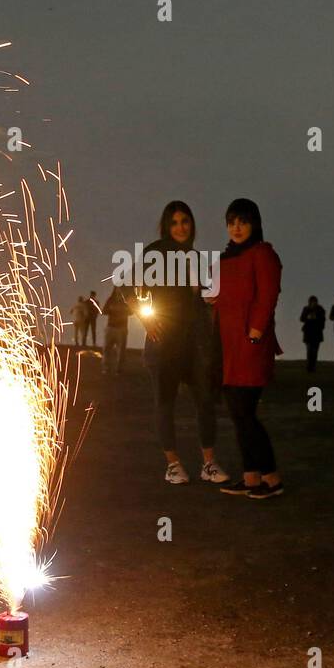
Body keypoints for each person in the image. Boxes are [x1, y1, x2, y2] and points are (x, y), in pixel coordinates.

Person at [138, 201, 229, 486]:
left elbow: (205, 296)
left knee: (205, 401)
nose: (180, 227)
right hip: (163, 342)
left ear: (192, 225)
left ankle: (209, 463)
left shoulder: (198, 259)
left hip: (195, 343)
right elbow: (128, 288)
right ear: (167, 225)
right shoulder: (154, 253)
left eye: (185, 222)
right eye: (175, 222)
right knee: (165, 402)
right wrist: (146, 320)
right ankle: (173, 464)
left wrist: (211, 299)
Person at [213, 198, 284, 499]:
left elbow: (268, 294)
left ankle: (272, 478)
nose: (237, 227)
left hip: (251, 344)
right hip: (228, 345)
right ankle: (251, 477)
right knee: (238, 414)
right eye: (231, 222)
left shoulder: (262, 253)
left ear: (254, 223)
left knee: (245, 412)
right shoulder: (225, 258)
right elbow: (218, 294)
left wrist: (255, 333)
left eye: (243, 221)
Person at [102, 287, 130, 374]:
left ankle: (119, 369)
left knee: (121, 350)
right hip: (111, 327)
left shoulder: (127, 300)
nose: (119, 290)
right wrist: (112, 309)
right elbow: (104, 311)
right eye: (118, 288)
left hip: (121, 328)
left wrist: (124, 309)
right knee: (107, 349)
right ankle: (106, 367)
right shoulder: (111, 299)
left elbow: (132, 311)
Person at [299, 296, 326, 371]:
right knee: (309, 350)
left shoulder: (320, 309)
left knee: (315, 351)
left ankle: (313, 366)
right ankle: (309, 366)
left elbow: (323, 320)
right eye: (312, 301)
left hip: (317, 332)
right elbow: (301, 318)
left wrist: (316, 318)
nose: (314, 303)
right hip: (308, 332)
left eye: (315, 301)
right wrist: (308, 317)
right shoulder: (306, 309)